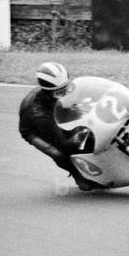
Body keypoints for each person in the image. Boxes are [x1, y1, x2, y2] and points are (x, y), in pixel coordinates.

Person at [18, 62, 101, 190]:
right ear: (47, 92)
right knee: (59, 152)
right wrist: (75, 138)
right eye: (59, 93)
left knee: (84, 122)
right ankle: (78, 175)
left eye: (65, 89)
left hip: (55, 110)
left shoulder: (58, 91)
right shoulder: (37, 113)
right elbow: (62, 143)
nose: (64, 94)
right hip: (34, 130)